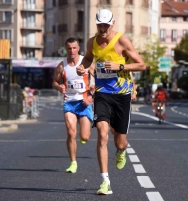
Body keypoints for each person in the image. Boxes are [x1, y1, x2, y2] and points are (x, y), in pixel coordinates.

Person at [76, 9, 146, 195]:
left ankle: (121, 150)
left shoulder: (121, 41)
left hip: (122, 95)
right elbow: (88, 58)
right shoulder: (92, 41)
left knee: (120, 143)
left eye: (106, 25)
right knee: (102, 132)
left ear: (112, 23)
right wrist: (82, 68)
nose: (103, 28)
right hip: (102, 93)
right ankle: (105, 181)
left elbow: (142, 64)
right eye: (100, 25)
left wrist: (120, 66)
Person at [52, 37, 94, 174]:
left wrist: (91, 97)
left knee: (85, 137)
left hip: (84, 103)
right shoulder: (61, 65)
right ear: (66, 49)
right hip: (69, 102)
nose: (71, 51)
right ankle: (73, 162)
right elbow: (54, 82)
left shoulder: (86, 62)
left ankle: (83, 137)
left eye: (74, 48)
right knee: (70, 132)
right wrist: (59, 87)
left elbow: (99, 81)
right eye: (69, 48)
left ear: (78, 48)